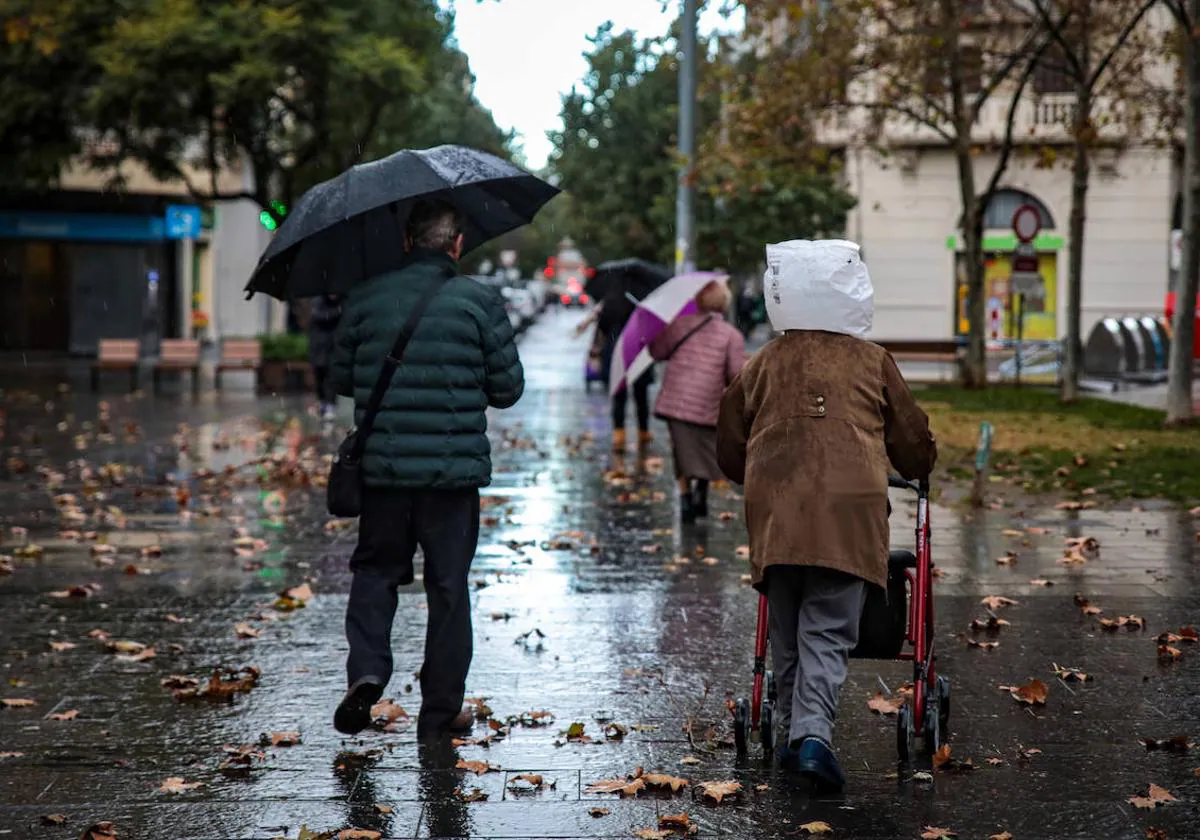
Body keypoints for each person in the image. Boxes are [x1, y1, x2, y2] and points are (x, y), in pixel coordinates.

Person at [716, 239, 936, 792]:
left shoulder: (763, 362)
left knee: (787, 631)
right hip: (849, 514)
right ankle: (811, 740)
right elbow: (911, 444)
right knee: (829, 631)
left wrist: (758, 474)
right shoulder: (871, 361)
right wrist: (921, 461)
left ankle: (794, 732)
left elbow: (729, 443)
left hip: (777, 514)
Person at [329, 199, 524, 740]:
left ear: (408, 243)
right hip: (451, 479)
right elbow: (508, 390)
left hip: (384, 473)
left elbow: (343, 377)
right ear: (458, 245)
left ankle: (367, 669)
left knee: (374, 573)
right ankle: (439, 714)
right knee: (448, 588)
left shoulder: (366, 298)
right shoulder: (479, 303)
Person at [648, 279, 745, 523]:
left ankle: (684, 497)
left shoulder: (680, 326)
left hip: (676, 400)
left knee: (681, 450)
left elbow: (657, 352)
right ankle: (701, 493)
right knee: (703, 450)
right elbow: (735, 373)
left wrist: (658, 333)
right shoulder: (731, 335)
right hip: (708, 402)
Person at [593, 282, 653, 450]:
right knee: (641, 395)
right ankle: (643, 431)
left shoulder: (611, 301)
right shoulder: (642, 300)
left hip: (616, 350)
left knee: (619, 395)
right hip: (638, 349)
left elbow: (602, 327)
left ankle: (619, 434)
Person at [309, 294, 343, 420]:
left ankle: (330, 404)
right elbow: (320, 316)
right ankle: (322, 402)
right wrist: (338, 312)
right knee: (319, 376)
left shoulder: (342, 303)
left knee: (331, 377)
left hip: (333, 348)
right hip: (319, 347)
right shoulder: (319, 303)